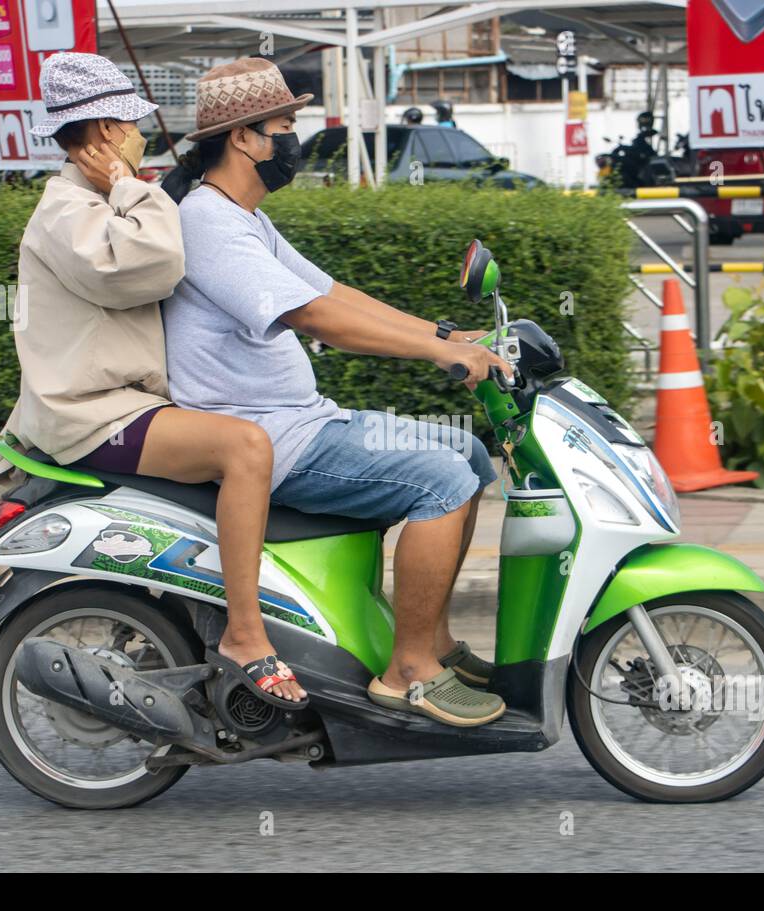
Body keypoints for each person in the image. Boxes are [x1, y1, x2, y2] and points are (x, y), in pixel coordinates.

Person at [161, 58, 511, 728]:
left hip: (303, 419)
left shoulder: (243, 218)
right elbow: (315, 318)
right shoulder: (209, 221)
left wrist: (445, 331)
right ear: (243, 137)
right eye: (285, 125)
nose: (293, 139)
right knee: (442, 481)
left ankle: (433, 641)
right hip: (274, 436)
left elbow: (329, 291)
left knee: (464, 452)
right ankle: (408, 669)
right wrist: (442, 353)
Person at [0, 52, 307, 706]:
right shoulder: (71, 211)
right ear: (107, 131)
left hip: (123, 404)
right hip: (95, 414)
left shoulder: (93, 201)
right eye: (133, 124)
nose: (142, 134)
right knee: (246, 446)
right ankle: (247, 636)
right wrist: (129, 183)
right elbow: (158, 262)